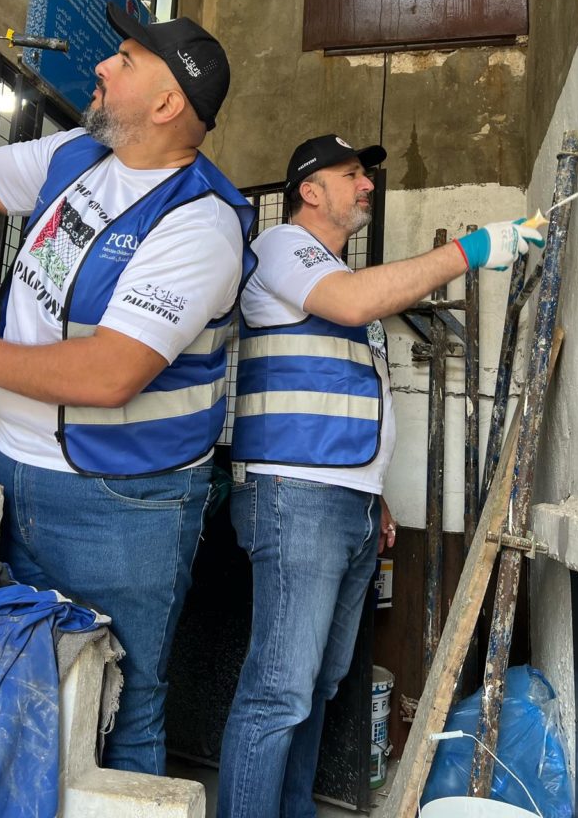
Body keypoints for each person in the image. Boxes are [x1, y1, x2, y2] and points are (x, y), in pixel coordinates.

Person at [0, 2, 256, 775]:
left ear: (166, 104)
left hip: (122, 506)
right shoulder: (78, 156)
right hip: (7, 465)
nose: (101, 67)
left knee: (120, 704)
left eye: (123, 60)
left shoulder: (201, 223)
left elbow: (110, 372)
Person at [218, 133, 544, 818]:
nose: (366, 185)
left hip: (346, 499)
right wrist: (473, 250)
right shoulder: (284, 250)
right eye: (351, 175)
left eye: (366, 175)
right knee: (280, 690)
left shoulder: (332, 273)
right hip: (293, 493)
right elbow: (354, 302)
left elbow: (350, 394)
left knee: (321, 684)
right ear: (310, 191)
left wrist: (376, 497)